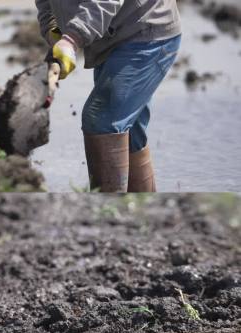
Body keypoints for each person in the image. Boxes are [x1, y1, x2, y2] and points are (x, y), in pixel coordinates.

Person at [36, 0, 181, 192]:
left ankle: (107, 212)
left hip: (145, 32)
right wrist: (52, 27)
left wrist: (72, 39)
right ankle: (144, 214)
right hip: (110, 36)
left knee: (102, 119)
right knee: (129, 134)